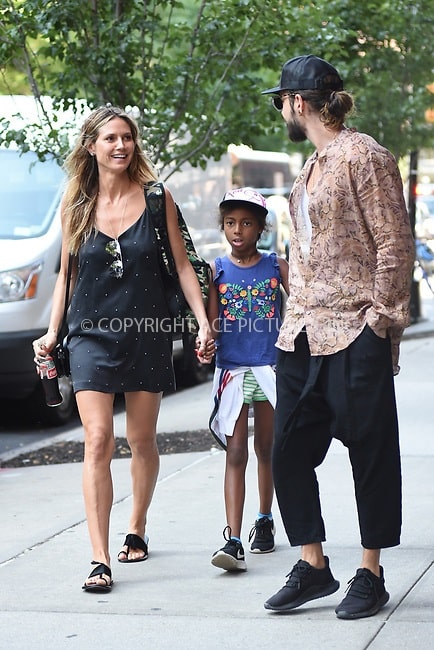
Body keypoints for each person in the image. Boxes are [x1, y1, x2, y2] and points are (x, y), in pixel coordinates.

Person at [32, 105, 215, 592]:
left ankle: (136, 524)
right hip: (90, 333)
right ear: (90, 146)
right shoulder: (76, 207)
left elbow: (180, 265)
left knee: (142, 439)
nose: (120, 145)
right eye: (110, 138)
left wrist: (201, 323)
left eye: (127, 137)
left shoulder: (157, 199)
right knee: (97, 440)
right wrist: (52, 334)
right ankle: (98, 558)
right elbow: (66, 279)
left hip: (147, 330)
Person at [261, 55, 414, 618]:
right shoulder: (311, 167)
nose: (282, 109)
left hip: (355, 330)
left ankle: (370, 573)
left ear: (299, 103)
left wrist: (380, 323)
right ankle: (314, 565)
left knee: (371, 454)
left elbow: (394, 244)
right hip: (301, 333)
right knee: (288, 451)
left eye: (283, 100)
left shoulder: (364, 156)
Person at [207, 187, 289, 571]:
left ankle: (265, 519)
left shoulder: (276, 266)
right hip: (233, 370)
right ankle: (234, 539)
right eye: (230, 223)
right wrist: (205, 342)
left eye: (246, 223)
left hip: (270, 368)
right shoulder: (217, 271)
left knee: (266, 449)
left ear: (260, 228)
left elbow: (303, 303)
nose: (237, 230)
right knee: (236, 451)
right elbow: (210, 323)